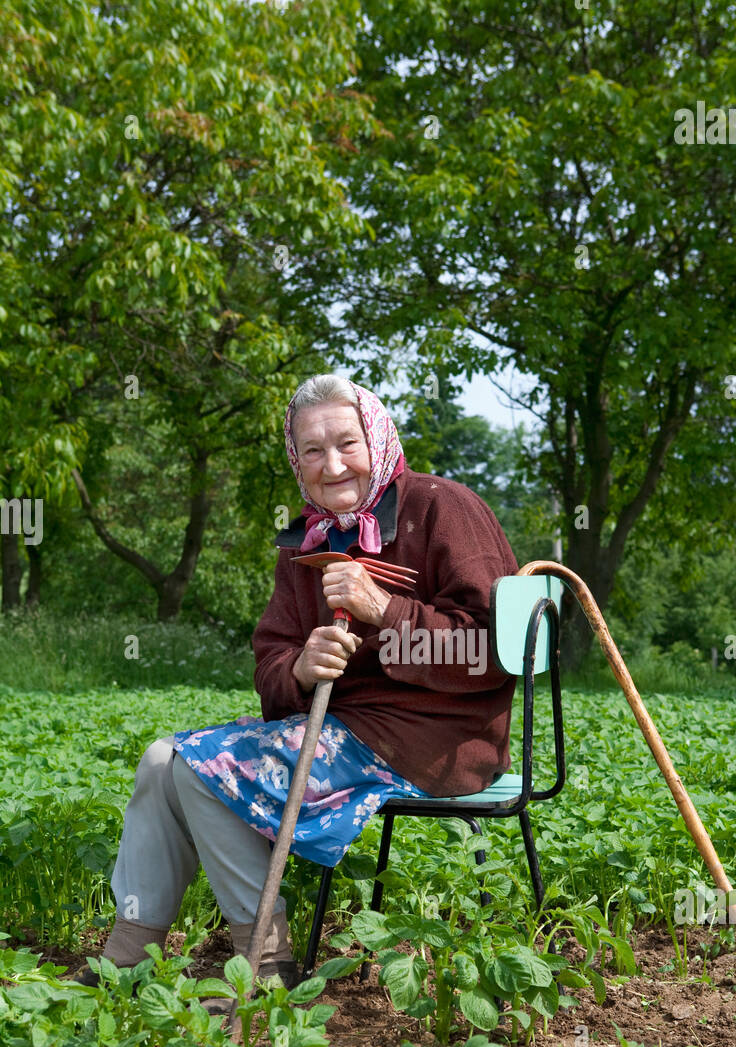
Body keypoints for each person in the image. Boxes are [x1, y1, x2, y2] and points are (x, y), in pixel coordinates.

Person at [70, 375, 518, 988]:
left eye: (347, 443)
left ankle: (266, 967)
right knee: (158, 760)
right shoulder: (308, 540)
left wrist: (384, 609)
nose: (331, 465)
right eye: (311, 450)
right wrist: (301, 669)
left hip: (433, 739)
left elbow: (491, 652)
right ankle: (126, 955)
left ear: (379, 438)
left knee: (199, 769)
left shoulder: (443, 509)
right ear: (295, 459)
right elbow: (270, 656)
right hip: (344, 727)